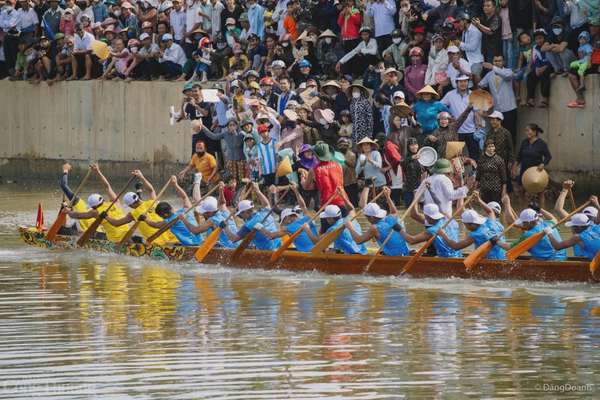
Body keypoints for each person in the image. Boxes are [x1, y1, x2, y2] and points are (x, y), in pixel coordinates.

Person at [102, 172, 178, 246]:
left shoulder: (133, 214)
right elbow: (151, 190)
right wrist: (141, 176)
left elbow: (116, 224)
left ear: (131, 205)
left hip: (157, 244)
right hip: (173, 238)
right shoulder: (153, 202)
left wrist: (106, 216)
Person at [64, 164, 130, 243]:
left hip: (115, 241)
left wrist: (67, 211)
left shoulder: (95, 212)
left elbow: (77, 215)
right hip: (128, 236)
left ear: (94, 206)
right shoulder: (115, 203)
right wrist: (98, 172)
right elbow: (107, 186)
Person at [251, 182, 316, 252]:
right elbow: (303, 206)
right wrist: (296, 191)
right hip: (320, 248)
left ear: (287, 218)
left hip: (308, 253)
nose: (284, 224)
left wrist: (259, 227)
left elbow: (270, 236)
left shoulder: (289, 228)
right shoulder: (307, 218)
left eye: (283, 222)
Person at [344, 187, 410, 256]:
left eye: (366, 217)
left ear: (371, 217)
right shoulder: (391, 218)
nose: (367, 219)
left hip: (394, 257)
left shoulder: (375, 228)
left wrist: (350, 227)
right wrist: (388, 196)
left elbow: (358, 240)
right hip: (405, 252)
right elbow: (394, 211)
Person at [302, 188, 367, 255]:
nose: (326, 220)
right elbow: (351, 209)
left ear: (330, 219)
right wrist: (343, 196)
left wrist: (307, 229)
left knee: (326, 252)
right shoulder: (350, 218)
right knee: (331, 250)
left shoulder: (334, 229)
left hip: (353, 255)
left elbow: (317, 242)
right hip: (363, 252)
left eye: (326, 218)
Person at [176, 183, 239, 249]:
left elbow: (195, 231)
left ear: (209, 212)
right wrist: (221, 191)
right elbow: (222, 203)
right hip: (239, 245)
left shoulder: (213, 220)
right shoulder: (225, 213)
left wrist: (183, 219)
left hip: (230, 249)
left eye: (204, 212)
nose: (202, 214)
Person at [144, 177, 203, 246]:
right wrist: (175, 184)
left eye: (161, 216)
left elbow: (155, 225)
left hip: (191, 245)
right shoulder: (186, 210)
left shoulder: (170, 221)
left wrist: (145, 219)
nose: (162, 218)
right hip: (200, 241)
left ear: (165, 215)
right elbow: (184, 197)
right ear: (171, 208)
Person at [222, 182, 282, 250]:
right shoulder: (264, 212)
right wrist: (258, 191)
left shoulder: (249, 225)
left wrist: (225, 227)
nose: (240, 217)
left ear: (246, 212)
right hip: (280, 246)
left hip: (268, 251)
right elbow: (266, 204)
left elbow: (233, 239)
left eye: (240, 214)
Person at [438, 209, 510, 259]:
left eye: (465, 225)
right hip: (505, 257)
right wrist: (479, 200)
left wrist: (443, 234)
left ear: (470, 225)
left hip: (492, 261)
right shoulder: (490, 223)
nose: (465, 227)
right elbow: (490, 211)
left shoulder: (475, 235)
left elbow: (456, 246)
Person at [479, 55, 517, 142]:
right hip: (497, 111)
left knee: (510, 134)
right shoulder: (489, 75)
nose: (497, 63)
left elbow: (506, 76)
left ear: (503, 62)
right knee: (498, 135)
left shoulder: (508, 71)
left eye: (499, 61)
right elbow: (480, 85)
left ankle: (511, 155)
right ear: (493, 62)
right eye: (495, 61)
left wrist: (492, 67)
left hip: (509, 109)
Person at [441, 74, 478, 159]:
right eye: (460, 81)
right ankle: (457, 172)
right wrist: (449, 115)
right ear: (456, 83)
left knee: (474, 154)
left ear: (468, 82)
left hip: (471, 130)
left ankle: (475, 172)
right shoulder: (450, 94)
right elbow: (440, 106)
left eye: (465, 81)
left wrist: (478, 126)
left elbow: (477, 112)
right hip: (455, 131)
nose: (463, 83)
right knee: (455, 156)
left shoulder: (473, 94)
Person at [567, 31, 593, 108]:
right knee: (572, 66)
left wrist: (588, 63)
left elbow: (589, 55)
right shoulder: (580, 47)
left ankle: (582, 85)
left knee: (580, 71)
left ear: (587, 40)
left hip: (587, 63)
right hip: (581, 62)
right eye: (580, 38)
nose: (582, 40)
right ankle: (580, 100)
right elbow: (580, 57)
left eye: (584, 39)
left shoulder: (588, 46)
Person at [526, 29, 552, 108]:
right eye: (536, 39)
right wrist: (537, 68)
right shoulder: (535, 48)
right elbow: (536, 59)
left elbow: (552, 59)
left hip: (549, 67)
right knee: (530, 76)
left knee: (545, 75)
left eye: (540, 38)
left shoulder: (548, 45)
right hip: (539, 68)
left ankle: (545, 98)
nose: (538, 40)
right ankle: (531, 99)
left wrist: (544, 67)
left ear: (544, 38)